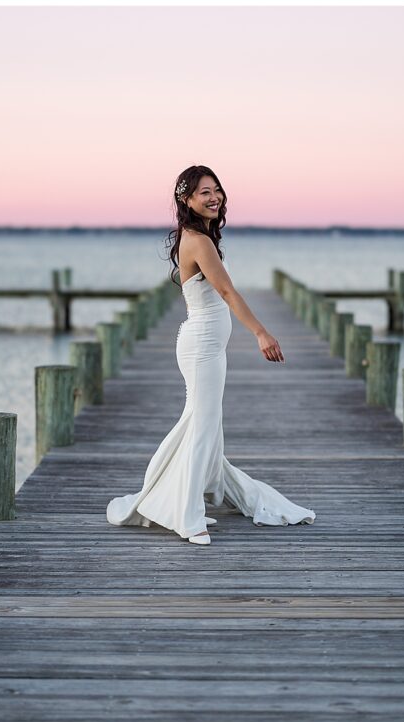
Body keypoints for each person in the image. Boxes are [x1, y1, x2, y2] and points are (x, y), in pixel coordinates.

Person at [106, 165, 314, 544]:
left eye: (216, 189)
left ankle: (185, 500)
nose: (214, 196)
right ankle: (187, 516)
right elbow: (228, 293)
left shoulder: (202, 237)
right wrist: (261, 332)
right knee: (201, 428)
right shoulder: (198, 241)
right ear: (186, 200)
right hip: (201, 346)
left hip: (209, 347)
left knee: (205, 428)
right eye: (204, 192)